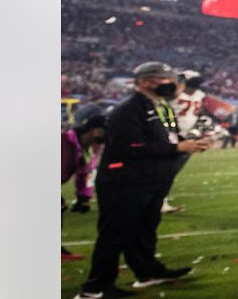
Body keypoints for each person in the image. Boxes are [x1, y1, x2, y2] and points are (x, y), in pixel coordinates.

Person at [75, 62, 211, 299]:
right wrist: (177, 146)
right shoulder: (127, 110)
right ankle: (94, 288)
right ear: (145, 82)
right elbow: (130, 146)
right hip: (125, 180)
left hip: (150, 178)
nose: (172, 85)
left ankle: (147, 272)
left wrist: (189, 142)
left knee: (144, 229)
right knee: (115, 233)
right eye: (165, 79)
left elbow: (165, 138)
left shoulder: (158, 106)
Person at [162, 69, 209, 214]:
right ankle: (158, 201)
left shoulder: (198, 95)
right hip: (171, 136)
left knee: (171, 170)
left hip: (188, 137)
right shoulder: (172, 94)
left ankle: (161, 201)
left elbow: (199, 113)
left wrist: (201, 130)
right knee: (165, 170)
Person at [62, 114, 106, 262]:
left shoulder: (83, 146)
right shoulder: (64, 142)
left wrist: (84, 197)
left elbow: (85, 172)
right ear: (95, 131)